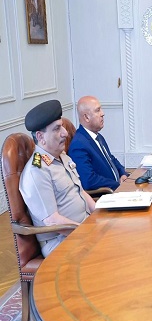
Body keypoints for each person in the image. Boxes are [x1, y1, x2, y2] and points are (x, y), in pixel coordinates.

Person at [19, 99, 96, 257]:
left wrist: (100, 214)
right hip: (61, 241)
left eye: (62, 126)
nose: (65, 133)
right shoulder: (37, 171)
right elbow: (52, 221)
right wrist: (87, 231)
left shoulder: (62, 156)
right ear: (40, 137)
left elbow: (80, 192)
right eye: (57, 129)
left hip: (83, 228)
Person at [67, 96, 128, 191]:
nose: (102, 114)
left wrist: (123, 173)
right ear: (86, 117)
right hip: (106, 194)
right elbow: (89, 180)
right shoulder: (78, 145)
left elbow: (111, 159)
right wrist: (118, 185)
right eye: (97, 110)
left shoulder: (98, 136)